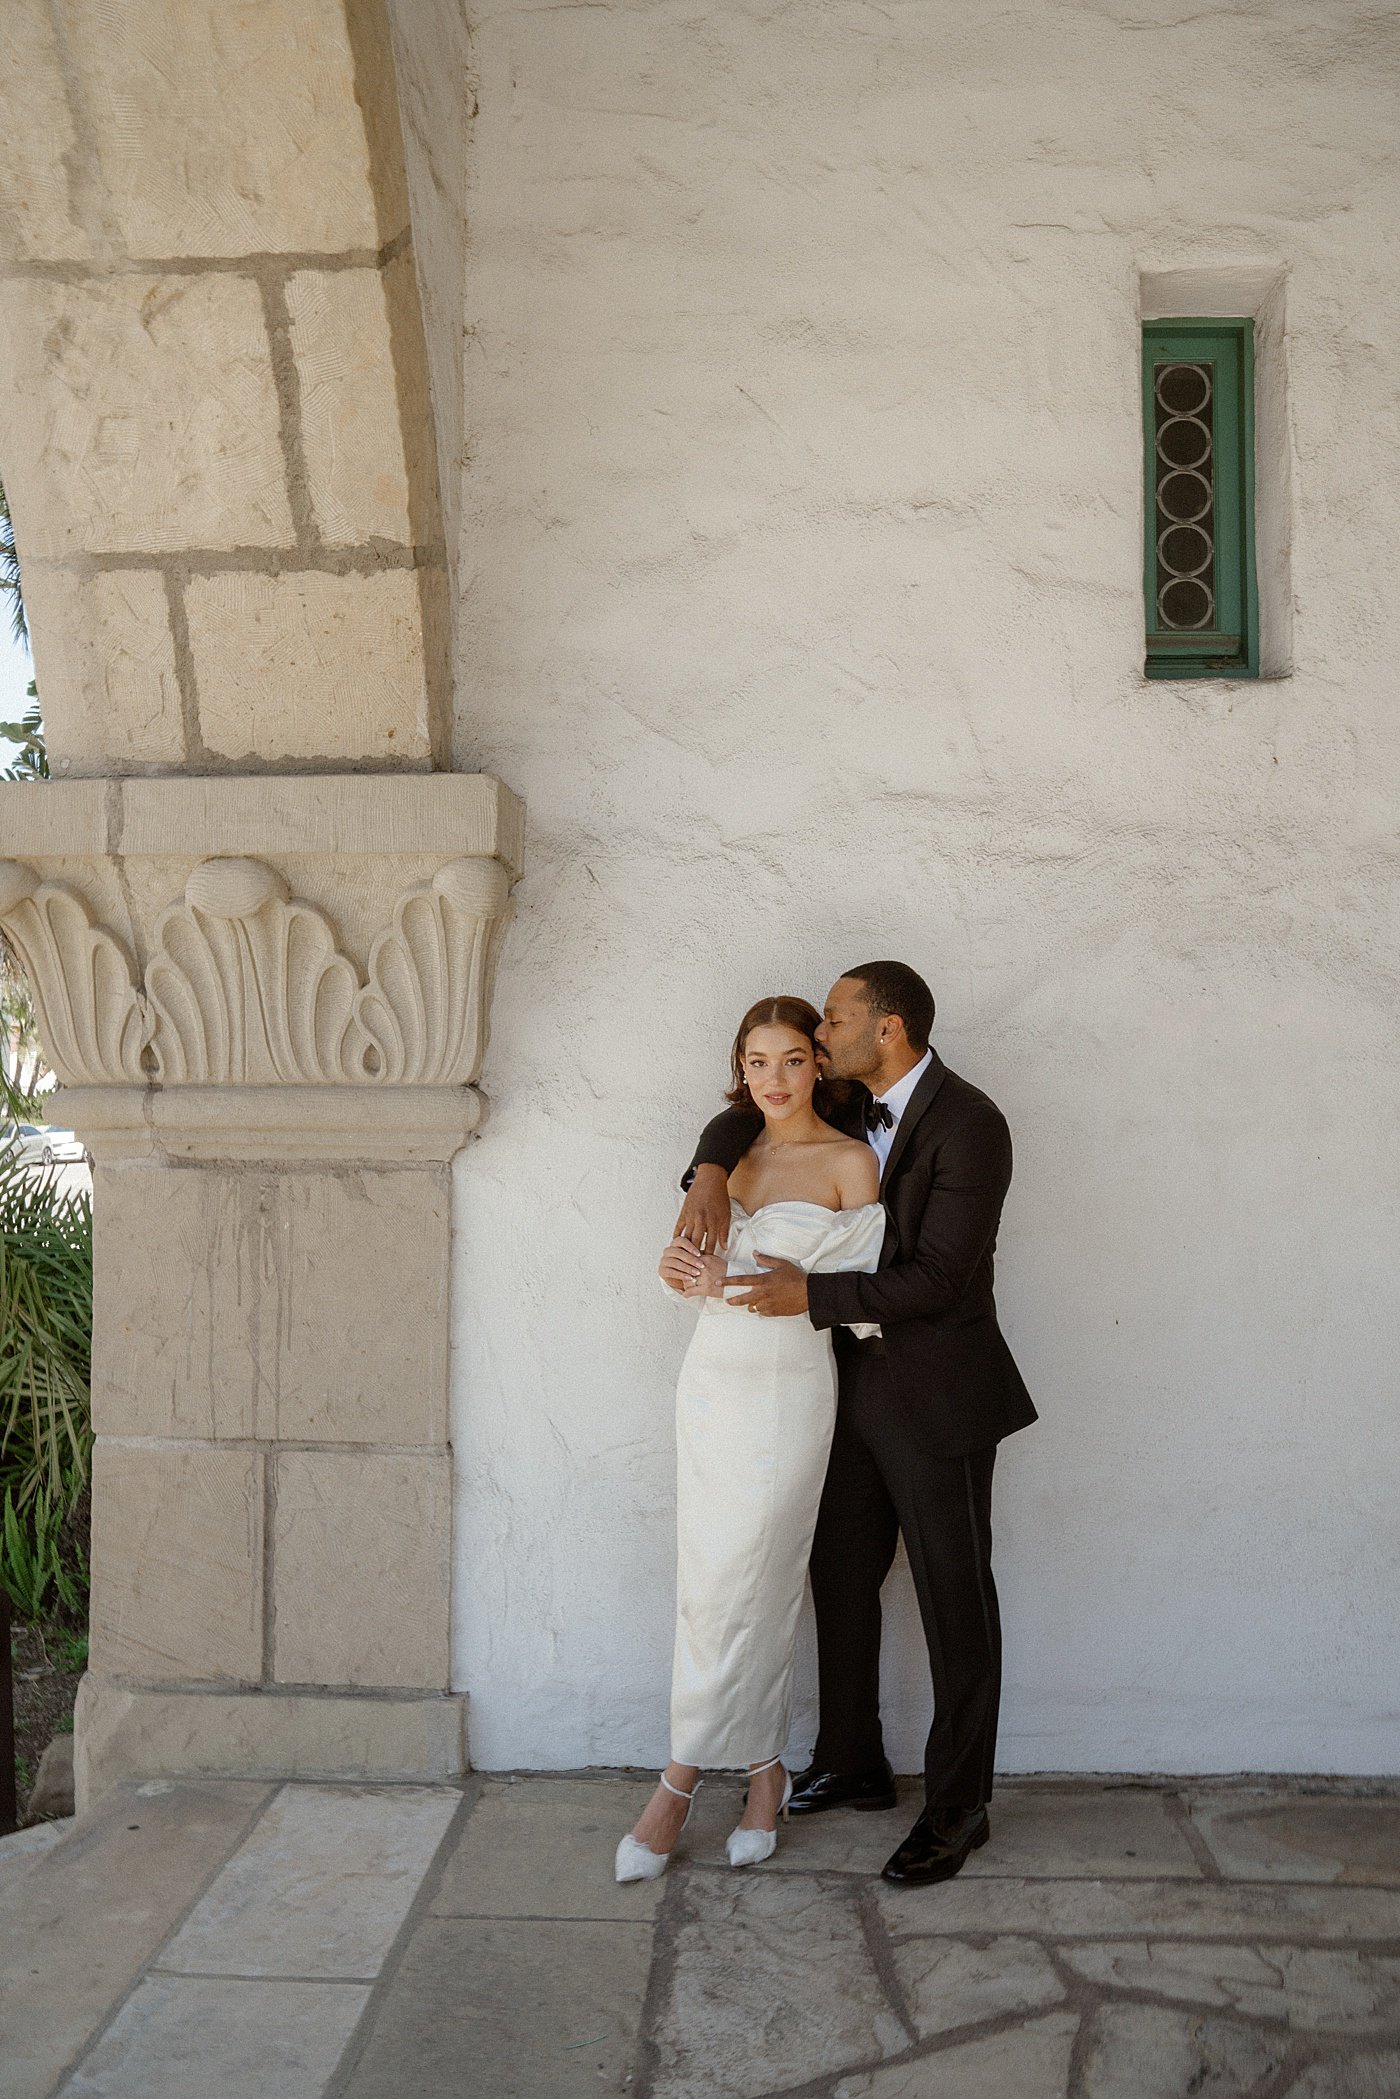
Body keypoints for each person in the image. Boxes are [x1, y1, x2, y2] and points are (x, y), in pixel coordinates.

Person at [673, 963, 1036, 1887]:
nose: (821, 1033)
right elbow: (744, 1105)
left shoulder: (970, 1122)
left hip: (939, 1392)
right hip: (844, 1390)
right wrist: (709, 1170)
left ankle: (959, 1807)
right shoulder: (840, 1093)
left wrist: (809, 1292)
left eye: (835, 1018)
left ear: (892, 1028)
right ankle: (851, 1759)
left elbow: (941, 1278)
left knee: (955, 1595)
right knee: (840, 1574)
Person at [615, 997, 885, 1882]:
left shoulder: (849, 1163)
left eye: (795, 1060)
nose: (775, 1078)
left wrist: (802, 1285)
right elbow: (700, 1282)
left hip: (790, 1397)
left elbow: (866, 1303)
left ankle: (677, 1782)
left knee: (756, 1581)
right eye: (758, 1061)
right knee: (708, 1585)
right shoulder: (726, 1161)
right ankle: (764, 1771)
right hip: (710, 1391)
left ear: (819, 1065)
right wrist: (681, 1274)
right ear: (741, 1069)